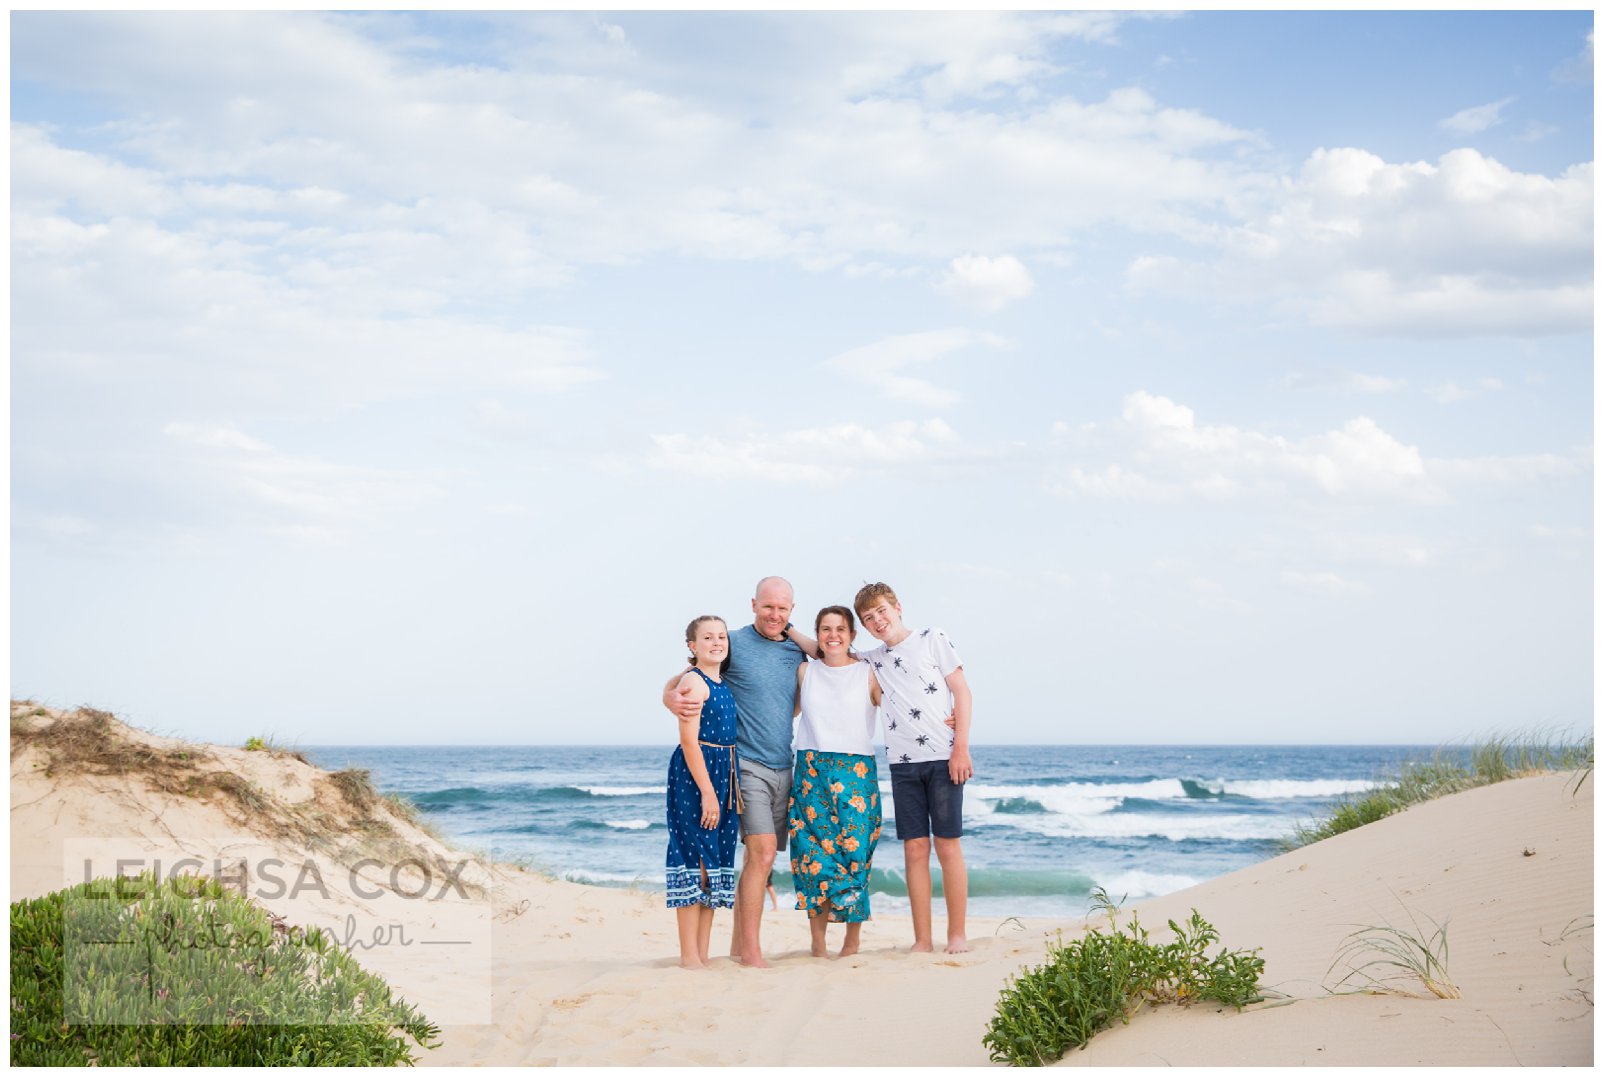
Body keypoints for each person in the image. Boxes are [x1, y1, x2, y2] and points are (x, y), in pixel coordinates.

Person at [663, 577, 812, 968]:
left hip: (783, 763)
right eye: (768, 606)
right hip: (740, 765)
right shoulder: (732, 641)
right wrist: (669, 694)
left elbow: (795, 700)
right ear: (753, 604)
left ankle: (732, 948)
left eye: (782, 608)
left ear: (792, 610)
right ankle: (749, 952)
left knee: (754, 859)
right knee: (758, 853)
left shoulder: (796, 651)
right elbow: (693, 673)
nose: (774, 614)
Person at [854, 581, 974, 955]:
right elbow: (828, 648)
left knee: (948, 846)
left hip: (943, 757)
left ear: (898, 607)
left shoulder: (931, 637)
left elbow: (962, 692)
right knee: (915, 850)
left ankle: (957, 935)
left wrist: (961, 749)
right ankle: (922, 939)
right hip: (902, 764)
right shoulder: (873, 659)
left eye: (881, 612)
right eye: (868, 618)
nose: (878, 621)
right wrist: (790, 629)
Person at [787, 605, 883, 958]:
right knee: (811, 854)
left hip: (856, 774)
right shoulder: (804, 671)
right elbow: (790, 710)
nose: (833, 636)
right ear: (818, 635)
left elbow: (899, 708)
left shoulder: (868, 673)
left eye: (840, 629)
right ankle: (817, 941)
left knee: (854, 856)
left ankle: (852, 941)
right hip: (811, 770)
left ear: (852, 635)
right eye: (825, 629)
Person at [663, 615, 740, 970]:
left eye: (721, 636)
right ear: (692, 646)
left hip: (724, 773)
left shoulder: (720, 680)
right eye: (707, 637)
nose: (716, 642)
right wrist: (708, 793)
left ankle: (703, 953)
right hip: (698, 777)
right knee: (694, 861)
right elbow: (689, 741)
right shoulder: (694, 683)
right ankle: (688, 956)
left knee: (715, 863)